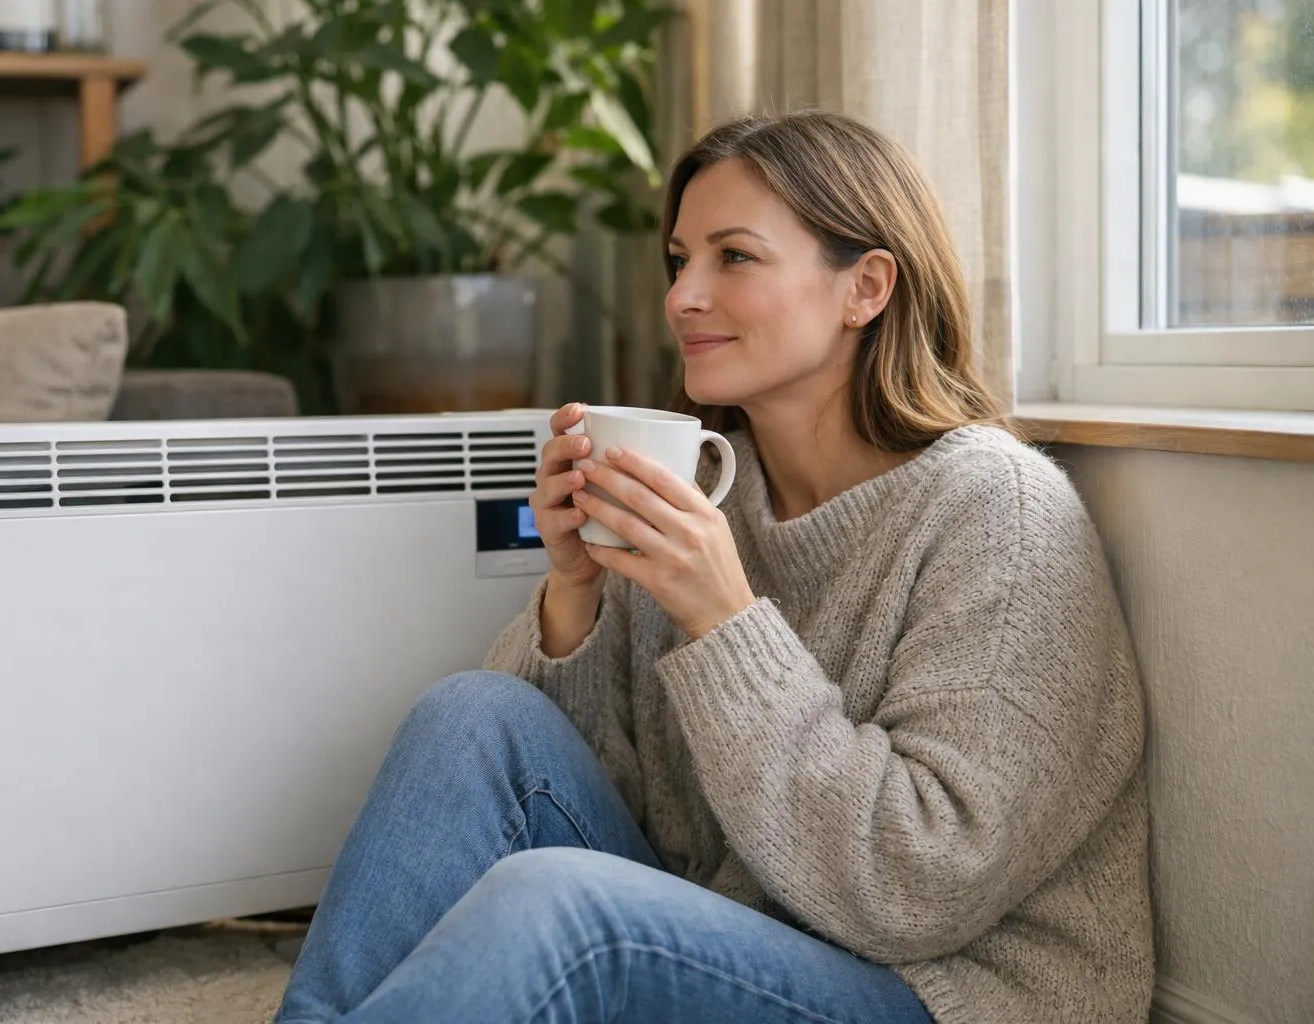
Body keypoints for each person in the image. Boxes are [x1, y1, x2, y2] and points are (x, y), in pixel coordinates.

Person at [272, 111, 1154, 1024]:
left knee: (567, 909)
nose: (683, 297)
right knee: (471, 715)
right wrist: (575, 592)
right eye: (679, 260)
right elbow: (597, 808)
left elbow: (920, 888)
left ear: (865, 288)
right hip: (743, 942)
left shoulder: (1001, 512)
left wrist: (726, 624)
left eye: (734, 257)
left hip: (938, 994)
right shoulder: (710, 495)